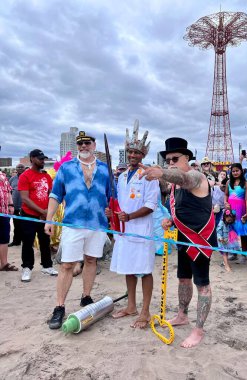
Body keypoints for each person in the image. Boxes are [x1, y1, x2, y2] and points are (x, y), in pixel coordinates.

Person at [139, 137, 217, 348]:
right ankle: (183, 315)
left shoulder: (195, 176)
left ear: (187, 158)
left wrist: (162, 172)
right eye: (168, 160)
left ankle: (198, 330)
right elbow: (185, 209)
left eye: (175, 158)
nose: (171, 162)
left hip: (200, 239)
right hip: (183, 237)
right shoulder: (175, 186)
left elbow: (185, 179)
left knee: (202, 285)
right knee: (183, 279)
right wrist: (171, 221)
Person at [45, 131, 111, 329]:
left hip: (97, 225)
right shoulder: (66, 168)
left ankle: (86, 297)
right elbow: (55, 195)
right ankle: (59, 306)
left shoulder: (105, 169)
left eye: (87, 143)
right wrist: (49, 219)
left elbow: (110, 196)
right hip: (73, 224)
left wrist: (111, 210)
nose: (83, 146)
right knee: (67, 265)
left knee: (91, 260)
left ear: (94, 145)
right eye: (80, 143)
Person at [106, 121, 159, 329]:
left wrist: (130, 216)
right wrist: (113, 212)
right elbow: (121, 202)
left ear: (143, 155)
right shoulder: (122, 176)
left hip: (142, 230)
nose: (133, 156)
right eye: (130, 152)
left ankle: (145, 312)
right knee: (129, 268)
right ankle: (131, 306)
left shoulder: (149, 175)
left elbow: (150, 205)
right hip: (125, 231)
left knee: (144, 270)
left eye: (137, 153)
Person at [18, 150, 57, 282]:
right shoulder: (25, 176)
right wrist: (42, 211)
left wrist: (48, 211)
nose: (43, 161)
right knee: (28, 242)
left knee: (45, 241)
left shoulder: (46, 177)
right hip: (28, 215)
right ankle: (27, 267)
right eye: (40, 159)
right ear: (32, 159)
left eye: (43, 159)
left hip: (44, 215)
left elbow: (51, 194)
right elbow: (25, 199)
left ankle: (47, 266)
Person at [224, 163, 247, 262]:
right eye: (233, 171)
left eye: (237, 170)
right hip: (231, 210)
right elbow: (226, 195)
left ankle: (243, 254)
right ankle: (233, 253)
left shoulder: (246, 183)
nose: (235, 173)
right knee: (232, 231)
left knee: (243, 232)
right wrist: (225, 202)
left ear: (241, 171)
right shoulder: (228, 182)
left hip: (241, 209)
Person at [0, 171, 18, 271]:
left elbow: (8, 191)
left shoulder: (2, 175)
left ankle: (4, 263)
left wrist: (11, 205)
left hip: (4, 212)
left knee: (4, 237)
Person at [8, 164, 25, 247]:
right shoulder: (12, 179)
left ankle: (28, 242)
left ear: (24, 168)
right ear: (16, 169)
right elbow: (9, 191)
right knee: (16, 224)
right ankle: (16, 241)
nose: (20, 168)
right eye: (19, 167)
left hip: (25, 206)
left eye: (22, 167)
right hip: (15, 205)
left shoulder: (27, 177)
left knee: (26, 224)